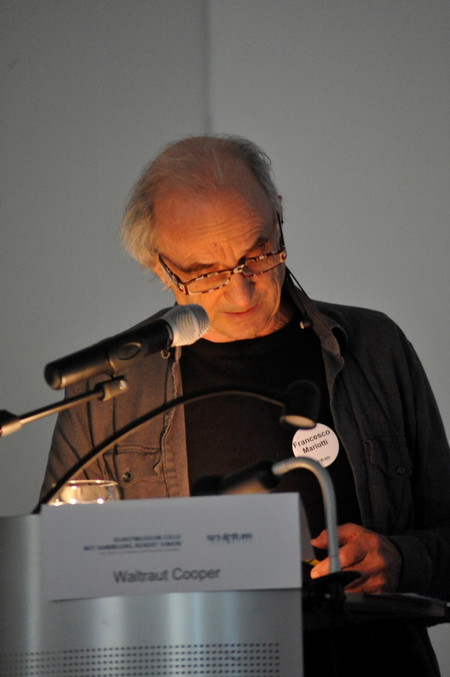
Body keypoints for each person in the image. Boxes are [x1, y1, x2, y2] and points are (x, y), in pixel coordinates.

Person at [41, 135, 450, 675]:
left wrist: (401, 561)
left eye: (257, 255)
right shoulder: (111, 389)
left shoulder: (376, 348)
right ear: (159, 266)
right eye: (206, 272)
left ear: (278, 217)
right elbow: (61, 577)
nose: (241, 293)